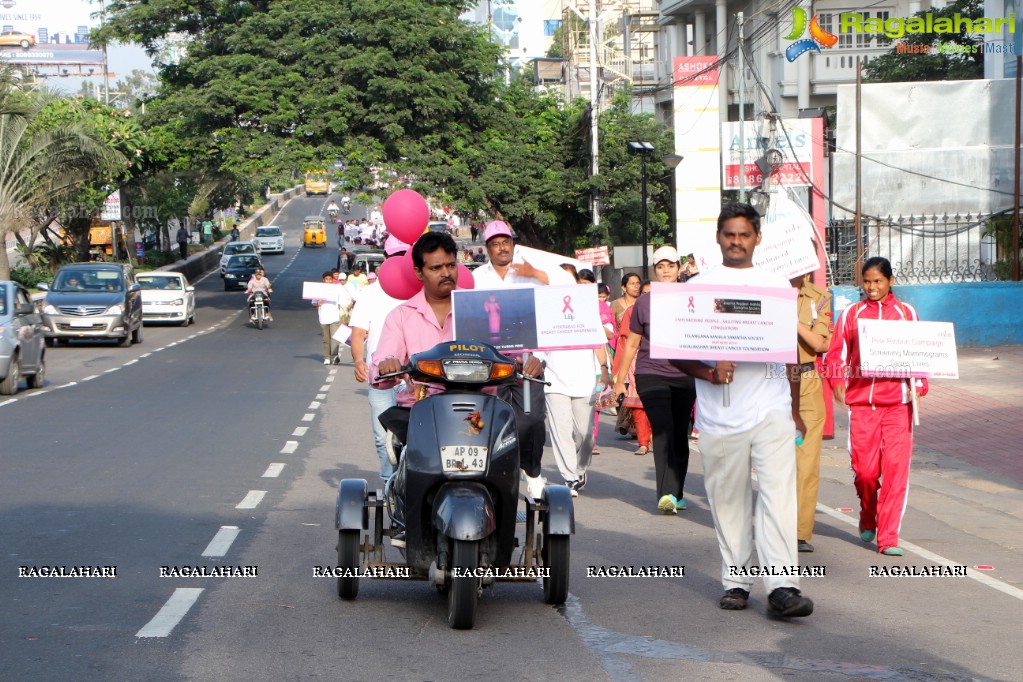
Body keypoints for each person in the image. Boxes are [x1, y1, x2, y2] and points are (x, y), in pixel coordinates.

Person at [673, 202, 812, 618]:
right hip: (719, 415)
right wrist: (709, 371)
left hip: (771, 409)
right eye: (729, 234)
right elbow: (674, 354)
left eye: (744, 234)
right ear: (718, 237)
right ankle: (736, 582)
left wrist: (795, 407)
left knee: (777, 499)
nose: (736, 241)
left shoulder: (774, 286)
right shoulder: (696, 287)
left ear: (757, 239)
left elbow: (789, 354)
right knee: (728, 502)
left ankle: (783, 586)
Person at [824, 256, 927, 557]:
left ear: (890, 281)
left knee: (896, 471)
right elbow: (835, 355)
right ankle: (868, 513)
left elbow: (922, 353)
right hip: (863, 405)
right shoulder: (851, 315)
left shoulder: (907, 314)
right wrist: (836, 381)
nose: (871, 287)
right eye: (867, 281)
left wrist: (920, 385)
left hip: (899, 404)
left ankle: (889, 537)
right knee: (866, 472)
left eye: (878, 281)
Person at [472, 220, 574, 500]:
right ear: (487, 248)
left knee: (530, 421)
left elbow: (566, 291)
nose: (501, 247)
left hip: (528, 360)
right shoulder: (477, 278)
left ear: (513, 245)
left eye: (505, 242)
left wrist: (541, 357)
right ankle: (500, 471)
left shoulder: (530, 271)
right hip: (491, 364)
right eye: (495, 244)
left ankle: (532, 470)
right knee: (493, 420)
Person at [612, 247, 696, 513]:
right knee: (663, 429)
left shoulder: (692, 297)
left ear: (679, 267)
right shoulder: (644, 303)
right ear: (654, 270)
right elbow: (632, 343)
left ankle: (677, 492)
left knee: (679, 435)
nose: (666, 270)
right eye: (660, 266)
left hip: (685, 375)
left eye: (670, 265)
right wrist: (619, 380)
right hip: (651, 373)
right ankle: (666, 494)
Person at [538, 267, 611, 495]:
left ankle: (579, 468)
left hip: (584, 381)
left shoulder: (586, 310)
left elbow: (599, 343)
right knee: (561, 431)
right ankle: (570, 477)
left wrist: (604, 369)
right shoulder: (546, 310)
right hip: (554, 381)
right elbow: (538, 347)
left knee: (585, 434)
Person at [351, 235, 410, 479]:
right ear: (385, 259)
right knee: (381, 438)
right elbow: (358, 333)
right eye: (394, 257)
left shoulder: (419, 292)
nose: (398, 261)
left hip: (415, 378)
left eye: (403, 256)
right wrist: (358, 361)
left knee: (418, 437)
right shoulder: (369, 294)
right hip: (381, 379)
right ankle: (389, 485)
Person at [791, 270, 833, 553]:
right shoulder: (760, 293)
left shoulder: (819, 299)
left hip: (804, 380)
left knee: (805, 462)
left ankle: (798, 531)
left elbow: (821, 343)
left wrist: (792, 323)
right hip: (765, 379)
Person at [312, 271, 344, 364]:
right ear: (323, 280)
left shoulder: (337, 289)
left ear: (332, 280)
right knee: (326, 339)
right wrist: (317, 303)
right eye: (326, 279)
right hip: (323, 318)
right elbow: (313, 303)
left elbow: (342, 302)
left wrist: (343, 316)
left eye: (330, 279)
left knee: (335, 338)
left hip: (334, 317)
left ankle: (334, 356)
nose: (328, 281)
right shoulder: (318, 289)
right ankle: (327, 357)